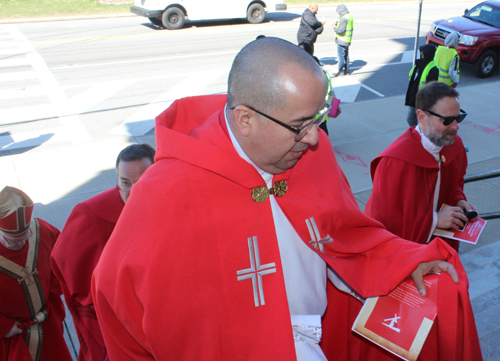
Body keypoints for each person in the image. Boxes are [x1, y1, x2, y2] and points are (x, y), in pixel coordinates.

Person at [92, 38, 481, 361]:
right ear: (245, 119)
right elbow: (116, 299)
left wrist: (398, 262)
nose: (314, 138)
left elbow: (347, 233)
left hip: (318, 340)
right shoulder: (163, 196)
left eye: (318, 119)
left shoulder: (309, 150)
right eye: (299, 126)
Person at [50, 143, 155, 361]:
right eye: (125, 183)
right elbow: (67, 269)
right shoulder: (92, 214)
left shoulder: (172, 202)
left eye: (142, 181)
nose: (133, 191)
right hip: (117, 323)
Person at [366, 81, 476, 253]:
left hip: (443, 247)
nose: (456, 127)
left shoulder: (455, 146)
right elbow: (384, 221)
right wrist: (435, 220)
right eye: (447, 120)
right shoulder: (394, 162)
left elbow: (456, 184)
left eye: (458, 117)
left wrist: (459, 201)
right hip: (408, 255)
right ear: (422, 117)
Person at [0, 186, 72, 361]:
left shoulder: (41, 231)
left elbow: (63, 265)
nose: (21, 243)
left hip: (47, 325)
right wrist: (4, 326)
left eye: (25, 237)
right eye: (13, 240)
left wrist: (50, 297)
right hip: (12, 335)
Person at [405, 44, 439, 127]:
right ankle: (418, 132)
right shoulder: (419, 64)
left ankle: (419, 133)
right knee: (411, 119)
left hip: (423, 99)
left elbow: (431, 87)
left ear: (428, 53)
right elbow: (412, 77)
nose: (421, 54)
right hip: (415, 97)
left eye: (423, 52)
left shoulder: (433, 68)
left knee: (414, 119)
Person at [333, 4, 353, 76]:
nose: (338, 13)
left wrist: (334, 27)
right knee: (346, 56)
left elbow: (340, 30)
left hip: (342, 40)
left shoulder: (344, 18)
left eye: (339, 12)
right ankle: (347, 70)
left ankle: (341, 71)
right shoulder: (349, 16)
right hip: (347, 40)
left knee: (341, 57)